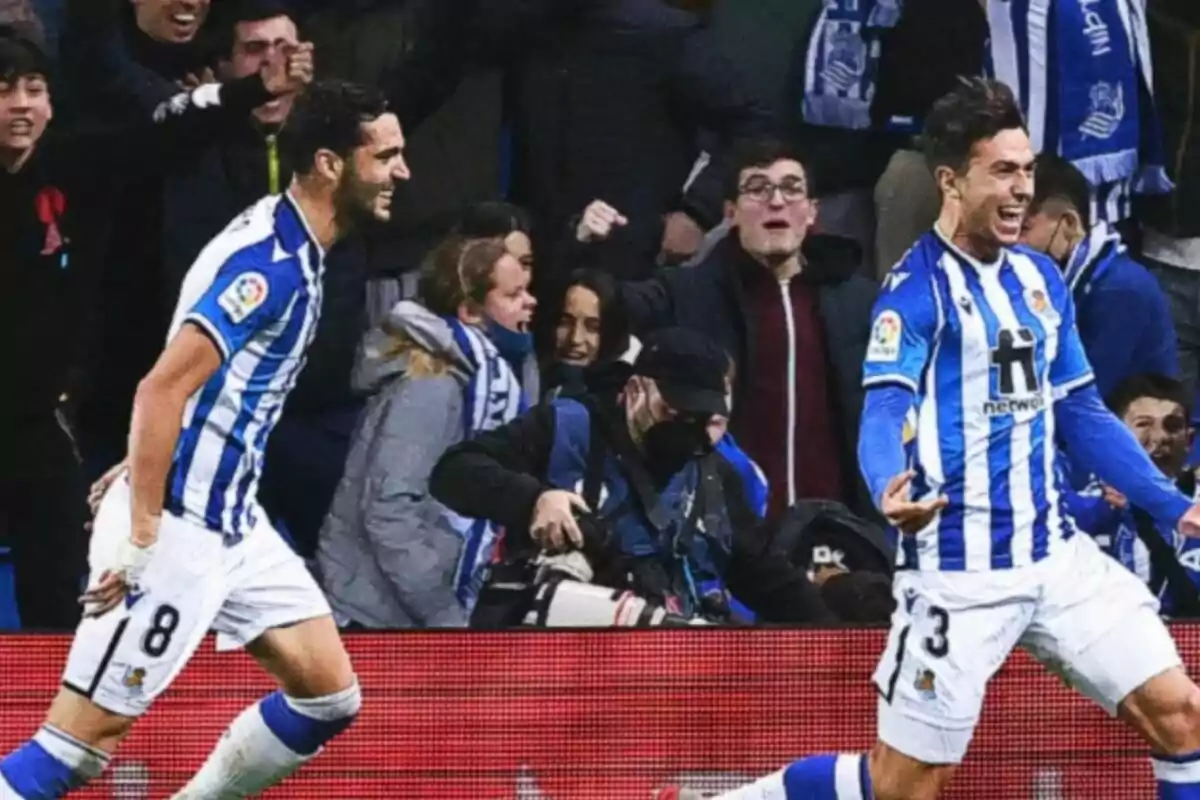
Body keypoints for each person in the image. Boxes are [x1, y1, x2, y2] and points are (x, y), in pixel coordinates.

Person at [663, 78, 1200, 800]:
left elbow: (1084, 415)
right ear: (951, 180)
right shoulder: (915, 292)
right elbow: (884, 409)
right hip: (960, 572)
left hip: (1056, 557)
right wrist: (890, 484)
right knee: (902, 787)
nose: (1020, 191)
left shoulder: (1041, 279)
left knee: (1182, 717)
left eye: (1027, 170)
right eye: (1002, 172)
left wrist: (1171, 506)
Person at [0, 79, 411, 798]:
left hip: (233, 522)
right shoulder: (269, 268)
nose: (402, 172)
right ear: (329, 163)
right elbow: (161, 387)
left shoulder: (305, 247)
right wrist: (141, 533)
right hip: (174, 531)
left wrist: (139, 455)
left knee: (328, 695)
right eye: (386, 156)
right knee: (70, 753)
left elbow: (213, 383)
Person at [0, 25, 308, 631]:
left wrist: (248, 92)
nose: (22, 105)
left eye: (35, 89)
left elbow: (165, 136)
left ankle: (53, 717)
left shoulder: (74, 166)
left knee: (59, 584)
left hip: (36, 420)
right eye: (5, 90)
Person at [429, 327, 832, 627]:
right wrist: (533, 499)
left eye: (700, 418)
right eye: (674, 412)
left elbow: (770, 579)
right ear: (636, 389)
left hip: (665, 668)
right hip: (553, 660)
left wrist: (844, 644)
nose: (687, 428)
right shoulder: (567, 428)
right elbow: (453, 472)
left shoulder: (715, 476)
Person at [621, 137, 877, 521]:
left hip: (837, 537)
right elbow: (601, 310)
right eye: (757, 189)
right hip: (728, 537)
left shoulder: (862, 302)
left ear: (811, 212)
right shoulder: (686, 293)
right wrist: (590, 247)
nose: (776, 201)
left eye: (791, 189)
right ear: (731, 212)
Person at [317, 234, 537, 629]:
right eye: (514, 294)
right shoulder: (430, 386)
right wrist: (445, 618)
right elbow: (388, 513)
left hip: (408, 612)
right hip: (375, 616)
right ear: (470, 310)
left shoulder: (502, 377)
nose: (530, 301)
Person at [1020, 152, 1178, 400]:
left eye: (1024, 229)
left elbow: (1085, 397)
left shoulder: (1119, 290)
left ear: (1069, 223)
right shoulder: (1078, 277)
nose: (1013, 242)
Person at [1068, 374, 1200, 618]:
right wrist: (1101, 513)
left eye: (1172, 425)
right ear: (1114, 436)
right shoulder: (1076, 510)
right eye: (1144, 424)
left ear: (1190, 439)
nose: (1160, 438)